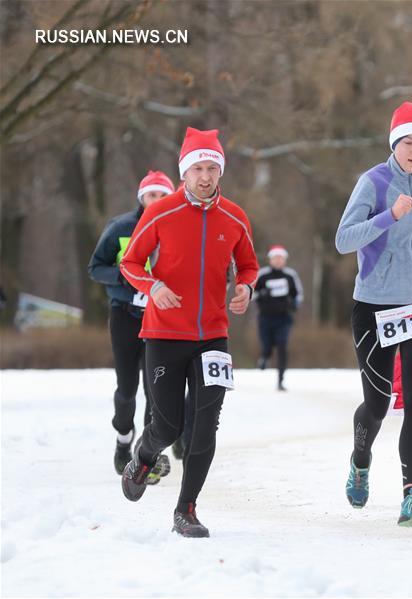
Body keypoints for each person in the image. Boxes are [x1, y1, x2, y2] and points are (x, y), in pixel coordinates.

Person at [119, 127, 259, 538]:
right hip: (164, 334)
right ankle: (143, 455)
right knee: (168, 426)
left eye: (212, 168)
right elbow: (131, 263)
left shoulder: (234, 216)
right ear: (184, 172)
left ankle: (187, 509)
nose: (206, 176)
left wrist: (246, 287)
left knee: (205, 425)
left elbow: (248, 264)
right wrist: (153, 286)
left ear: (220, 172)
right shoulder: (160, 212)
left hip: (213, 334)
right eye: (198, 167)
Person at [335, 101, 412, 527]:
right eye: (408, 142)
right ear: (394, 143)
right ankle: (360, 461)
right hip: (376, 304)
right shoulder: (373, 181)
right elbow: (344, 240)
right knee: (379, 402)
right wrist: (388, 215)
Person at [88, 170, 175, 482]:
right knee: (127, 389)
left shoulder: (177, 226)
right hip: (125, 315)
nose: (157, 201)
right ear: (142, 198)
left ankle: (146, 454)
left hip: (160, 319)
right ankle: (124, 438)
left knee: (156, 390)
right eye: (152, 195)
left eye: (163, 195)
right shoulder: (121, 227)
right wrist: (124, 277)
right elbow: (95, 268)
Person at [254, 245, 303, 391]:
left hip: (284, 318)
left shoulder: (290, 275)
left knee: (282, 346)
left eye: (281, 258)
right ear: (270, 259)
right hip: (265, 317)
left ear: (285, 260)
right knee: (267, 346)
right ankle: (265, 356)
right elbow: (251, 294)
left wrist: (294, 304)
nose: (278, 261)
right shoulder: (262, 275)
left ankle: (281, 380)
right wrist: (262, 294)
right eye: (275, 258)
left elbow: (298, 294)